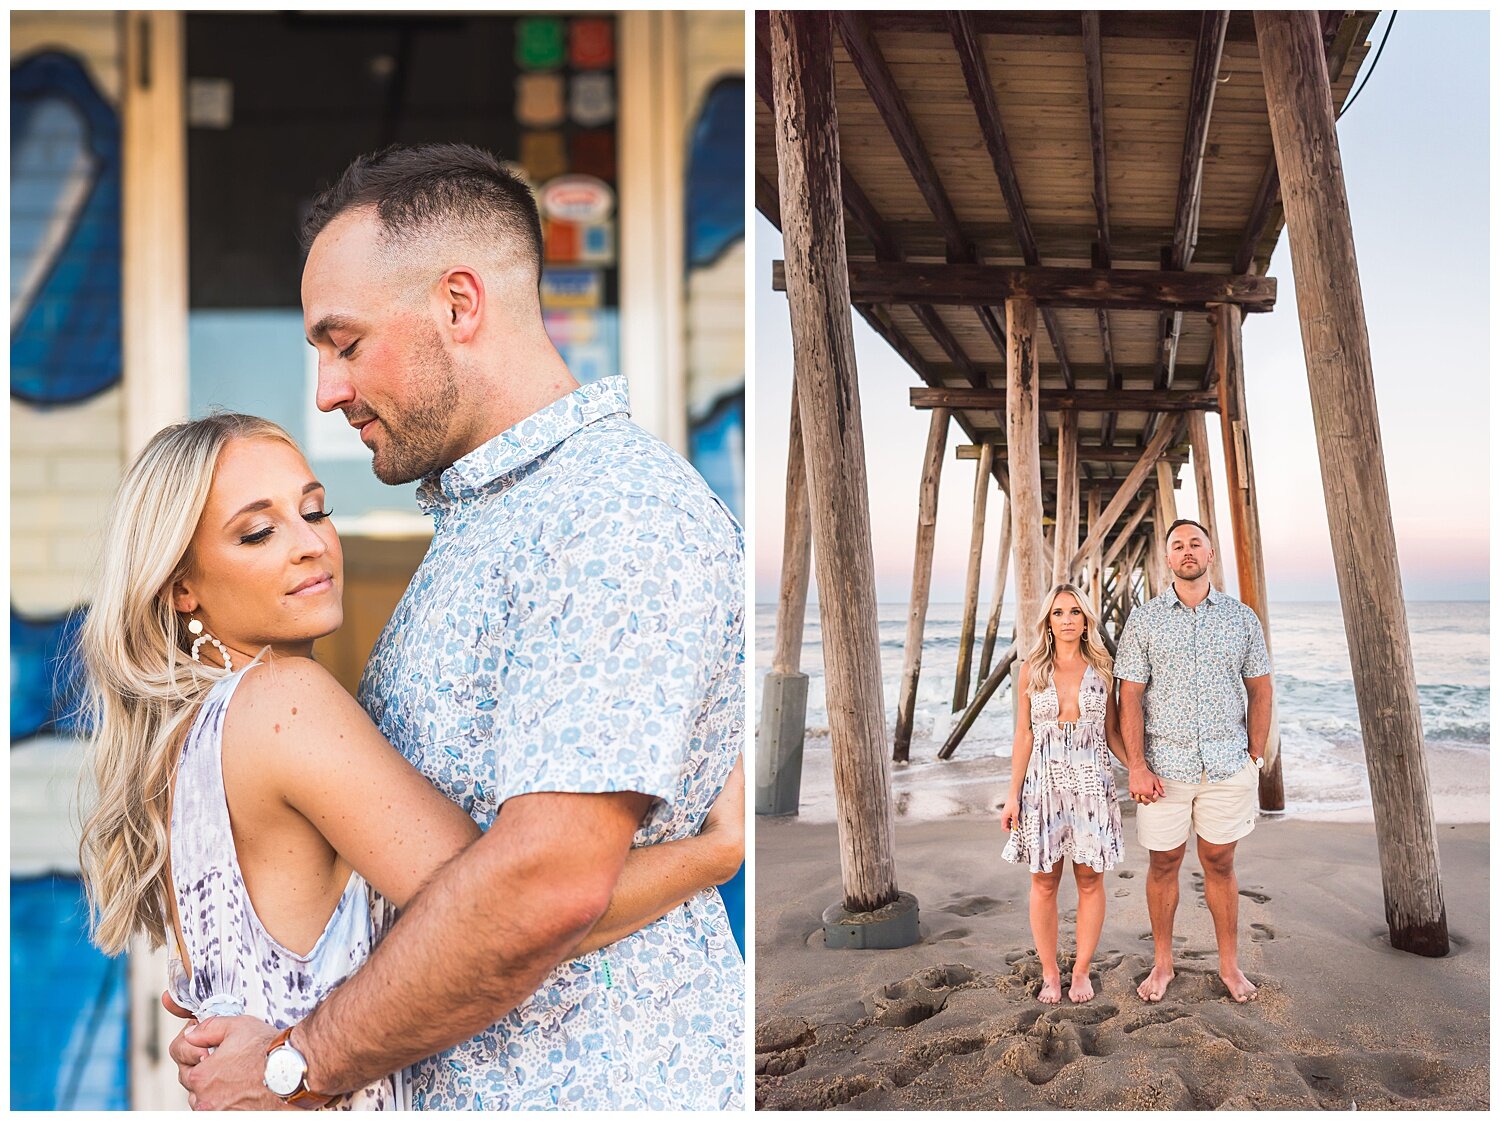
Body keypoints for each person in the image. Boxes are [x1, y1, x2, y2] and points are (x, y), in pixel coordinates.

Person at [167, 143, 745, 1109]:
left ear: (460, 305)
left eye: (343, 343)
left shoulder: (613, 516)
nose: (326, 391)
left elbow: (542, 886)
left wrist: (297, 1062)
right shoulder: (489, 522)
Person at [76, 415, 744, 1109]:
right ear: (182, 586)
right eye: (258, 532)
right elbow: (505, 917)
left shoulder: (190, 738)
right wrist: (714, 852)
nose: (311, 544)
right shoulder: (284, 703)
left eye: (314, 510)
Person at [1114, 518, 1273, 1005]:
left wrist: (1255, 756)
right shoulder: (1144, 620)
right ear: (1167, 559)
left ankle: (1229, 965)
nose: (1187, 551)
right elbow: (1130, 698)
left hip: (1227, 766)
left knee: (1221, 862)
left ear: (1210, 553)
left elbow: (1260, 689)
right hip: (1165, 769)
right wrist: (1137, 766)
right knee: (1164, 862)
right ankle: (1164, 963)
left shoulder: (1242, 618)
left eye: (1195, 543)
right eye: (1177, 545)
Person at [1001, 583, 1127, 1004]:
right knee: (1043, 880)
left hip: (1091, 783)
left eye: (1075, 612)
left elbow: (1111, 733)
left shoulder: (1104, 667)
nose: (1068, 619)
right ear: (1048, 621)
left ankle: (1082, 972)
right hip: (1043, 787)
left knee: (1090, 879)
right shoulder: (1032, 669)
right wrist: (1012, 795)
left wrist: (1142, 772)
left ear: (1086, 619)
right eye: (1059, 613)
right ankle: (1051, 973)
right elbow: (1024, 735)